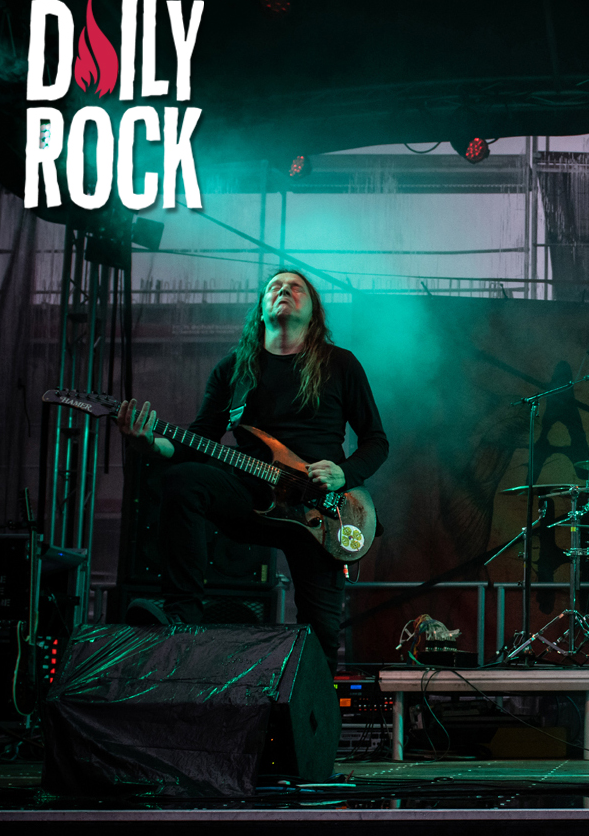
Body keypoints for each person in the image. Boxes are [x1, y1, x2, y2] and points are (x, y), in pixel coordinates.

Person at [116, 270, 389, 673]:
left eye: (295, 287)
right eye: (274, 287)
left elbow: (377, 441)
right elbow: (198, 438)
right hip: (251, 496)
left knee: (321, 640)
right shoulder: (234, 370)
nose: (284, 290)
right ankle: (181, 614)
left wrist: (343, 474)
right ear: (261, 310)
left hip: (321, 509)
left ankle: (312, 708)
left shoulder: (340, 364)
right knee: (183, 480)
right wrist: (149, 444)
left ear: (313, 311)